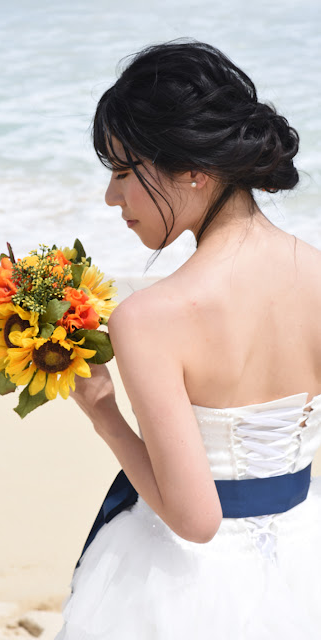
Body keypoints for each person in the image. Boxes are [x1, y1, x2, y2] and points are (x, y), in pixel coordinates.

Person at [54, 39, 321, 639]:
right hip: (307, 554)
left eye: (124, 172)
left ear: (195, 171)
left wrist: (104, 415)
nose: (111, 197)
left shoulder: (150, 318)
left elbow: (196, 521)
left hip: (191, 587)